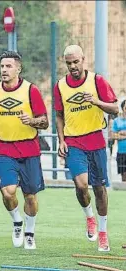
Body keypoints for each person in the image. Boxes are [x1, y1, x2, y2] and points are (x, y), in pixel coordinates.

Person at [54, 45, 119, 252]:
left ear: (83, 59)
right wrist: (61, 140)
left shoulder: (97, 81)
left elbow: (115, 109)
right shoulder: (60, 86)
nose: (73, 66)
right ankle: (89, 217)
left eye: (76, 62)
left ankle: (102, 232)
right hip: (73, 142)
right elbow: (59, 115)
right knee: (82, 185)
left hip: (96, 141)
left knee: (99, 189)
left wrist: (97, 101)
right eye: (69, 63)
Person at [0, 51, 49, 250]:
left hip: (29, 150)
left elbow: (45, 122)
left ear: (18, 69)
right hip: (5, 149)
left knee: (30, 196)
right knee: (8, 192)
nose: (4, 70)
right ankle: (16, 222)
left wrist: (31, 121)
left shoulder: (31, 90)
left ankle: (29, 232)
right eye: (2, 66)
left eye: (9, 66)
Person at [111, 100, 126, 182]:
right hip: (121, 152)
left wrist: (122, 133)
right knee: (123, 176)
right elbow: (113, 135)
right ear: (123, 108)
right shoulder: (117, 121)